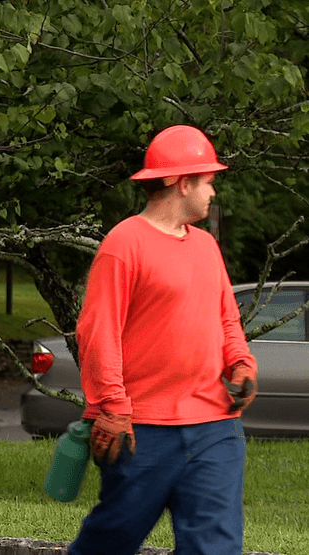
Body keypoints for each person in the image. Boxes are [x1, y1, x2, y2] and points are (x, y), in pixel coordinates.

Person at [68, 125, 258, 555]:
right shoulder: (124, 244)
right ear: (182, 181)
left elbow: (227, 317)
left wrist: (241, 362)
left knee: (215, 549)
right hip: (142, 429)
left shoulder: (207, 246)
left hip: (215, 426)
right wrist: (113, 408)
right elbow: (98, 334)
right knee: (111, 541)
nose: (212, 192)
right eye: (208, 181)